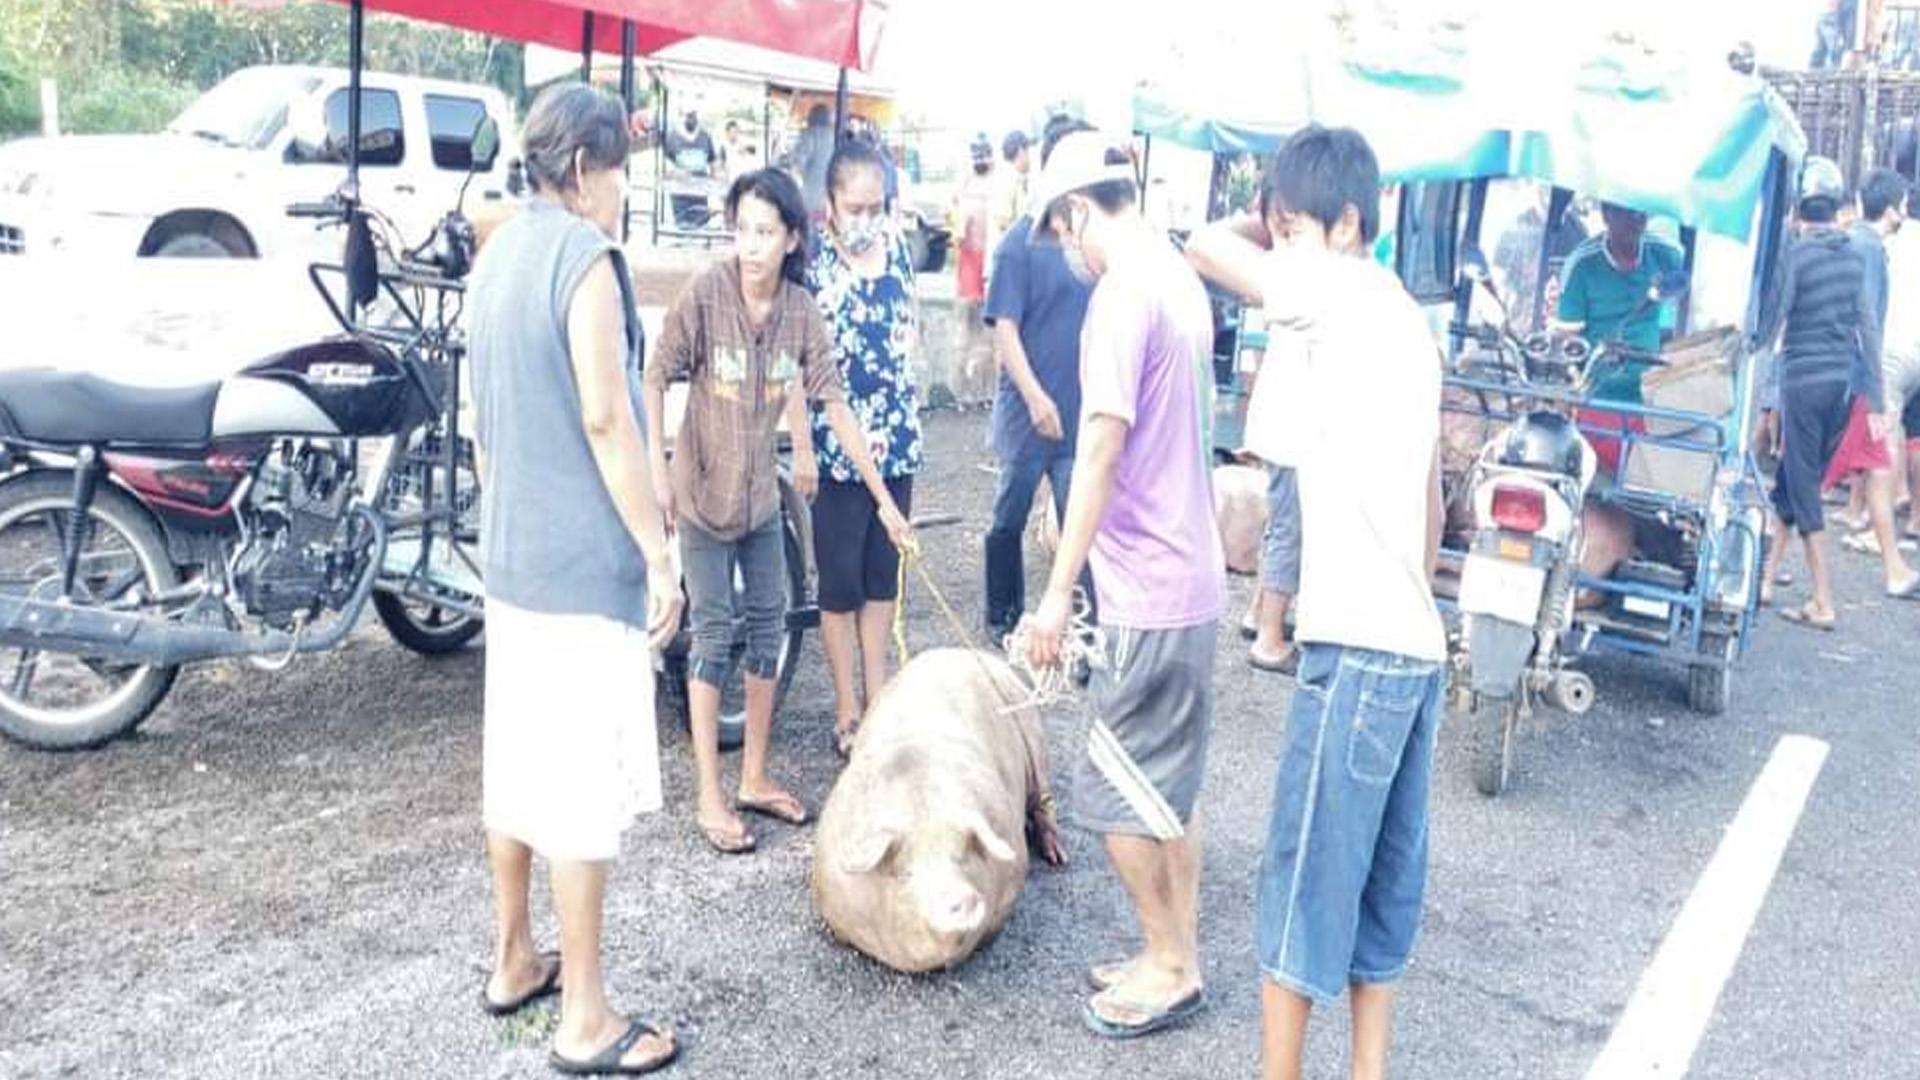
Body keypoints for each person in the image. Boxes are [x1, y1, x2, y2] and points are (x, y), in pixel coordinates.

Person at [1184, 124, 1447, 1080]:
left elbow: (1205, 247)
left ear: (1345, 225)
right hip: (1414, 645)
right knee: (1381, 890)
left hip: (1359, 650)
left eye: (1295, 228)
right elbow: (1431, 501)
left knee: (1299, 886)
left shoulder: (1336, 290)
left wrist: (1261, 218)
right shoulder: (1406, 319)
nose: (1280, 246)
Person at [467, 83, 683, 1076]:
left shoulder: (499, 250)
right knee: (580, 790)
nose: (622, 193)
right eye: (620, 174)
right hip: (578, 570)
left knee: (517, 769)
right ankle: (587, 1018)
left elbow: (479, 416)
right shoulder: (587, 260)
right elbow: (608, 418)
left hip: (509, 558)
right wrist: (656, 549)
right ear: (590, 168)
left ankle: (516, 957)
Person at [1020, 129, 1226, 1040]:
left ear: (1074, 212)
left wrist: (1056, 595)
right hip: (1194, 572)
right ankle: (1173, 949)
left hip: (1145, 582)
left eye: (1062, 229)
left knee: (1110, 791)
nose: (1065, 247)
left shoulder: (1119, 296)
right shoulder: (1180, 280)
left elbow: (1099, 447)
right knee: (1167, 786)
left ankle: (1171, 965)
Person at [643, 168, 915, 853]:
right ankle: (710, 794)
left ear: (793, 237)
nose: (751, 246)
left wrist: (884, 500)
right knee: (710, 641)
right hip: (703, 497)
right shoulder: (708, 292)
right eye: (742, 231)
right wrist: (657, 471)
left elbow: (835, 405)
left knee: (768, 635)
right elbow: (656, 372)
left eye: (765, 232)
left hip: (759, 502)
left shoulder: (800, 311)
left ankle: (754, 778)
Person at [802, 139, 925, 757]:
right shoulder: (817, 270)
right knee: (841, 585)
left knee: (883, 581)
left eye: (876, 205)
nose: (866, 217)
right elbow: (821, 385)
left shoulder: (899, 253)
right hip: (838, 453)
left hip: (897, 442)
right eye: (854, 206)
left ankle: (879, 696)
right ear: (829, 205)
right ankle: (847, 704)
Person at [1185, 164, 1316, 675]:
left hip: (1282, 420)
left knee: (1280, 521)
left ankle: (1259, 611)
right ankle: (1268, 638)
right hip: (1295, 425)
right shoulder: (1294, 270)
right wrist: (1262, 219)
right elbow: (1205, 242)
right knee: (1289, 527)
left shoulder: (1282, 267)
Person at [1757, 156, 1887, 630]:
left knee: (1804, 486)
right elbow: (1868, 328)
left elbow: (1775, 318)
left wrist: (1748, 347)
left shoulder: (1797, 253)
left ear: (1799, 206)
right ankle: (1768, 577)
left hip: (1802, 380)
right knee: (1795, 478)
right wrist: (1876, 397)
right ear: (1836, 205)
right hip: (1841, 386)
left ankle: (1824, 601)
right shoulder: (1853, 256)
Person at [982, 116, 1096, 642]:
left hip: (1079, 413)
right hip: (1028, 417)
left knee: (1083, 522)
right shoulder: (1016, 245)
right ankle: (1003, 616)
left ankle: (1084, 628)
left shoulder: (1092, 249)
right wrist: (1034, 398)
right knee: (1009, 515)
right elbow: (1004, 330)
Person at [1553, 201, 1686, 584]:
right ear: (1606, 215)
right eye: (1626, 213)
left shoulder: (1664, 255)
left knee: (1659, 490)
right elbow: (1565, 342)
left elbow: (1684, 295)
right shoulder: (1584, 264)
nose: (1636, 220)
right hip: (1596, 399)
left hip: (1647, 398)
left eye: (1640, 212)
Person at [1825, 168, 1920, 595]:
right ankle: (1888, 565)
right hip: (1875, 370)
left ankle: (1887, 564)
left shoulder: (1870, 245)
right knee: (1871, 459)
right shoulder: (1872, 246)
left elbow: (1863, 320)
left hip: (1872, 369)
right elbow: (1863, 319)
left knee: (1871, 461)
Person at [664, 109, 720, 229]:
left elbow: (713, 163)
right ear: (682, 116)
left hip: (700, 195)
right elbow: (666, 166)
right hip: (680, 195)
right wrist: (676, 174)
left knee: (700, 228)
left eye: (693, 116)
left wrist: (714, 189)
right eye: (688, 116)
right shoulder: (672, 137)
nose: (690, 119)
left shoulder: (705, 137)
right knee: (683, 229)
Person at [789, 104, 837, 224]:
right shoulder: (835, 137)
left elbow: (796, 166)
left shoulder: (809, 135)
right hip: (830, 201)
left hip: (809, 201)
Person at [991, 130, 1033, 260]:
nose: (1029, 159)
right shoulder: (1008, 178)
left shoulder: (1018, 176)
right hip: (1014, 252)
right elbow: (1003, 222)